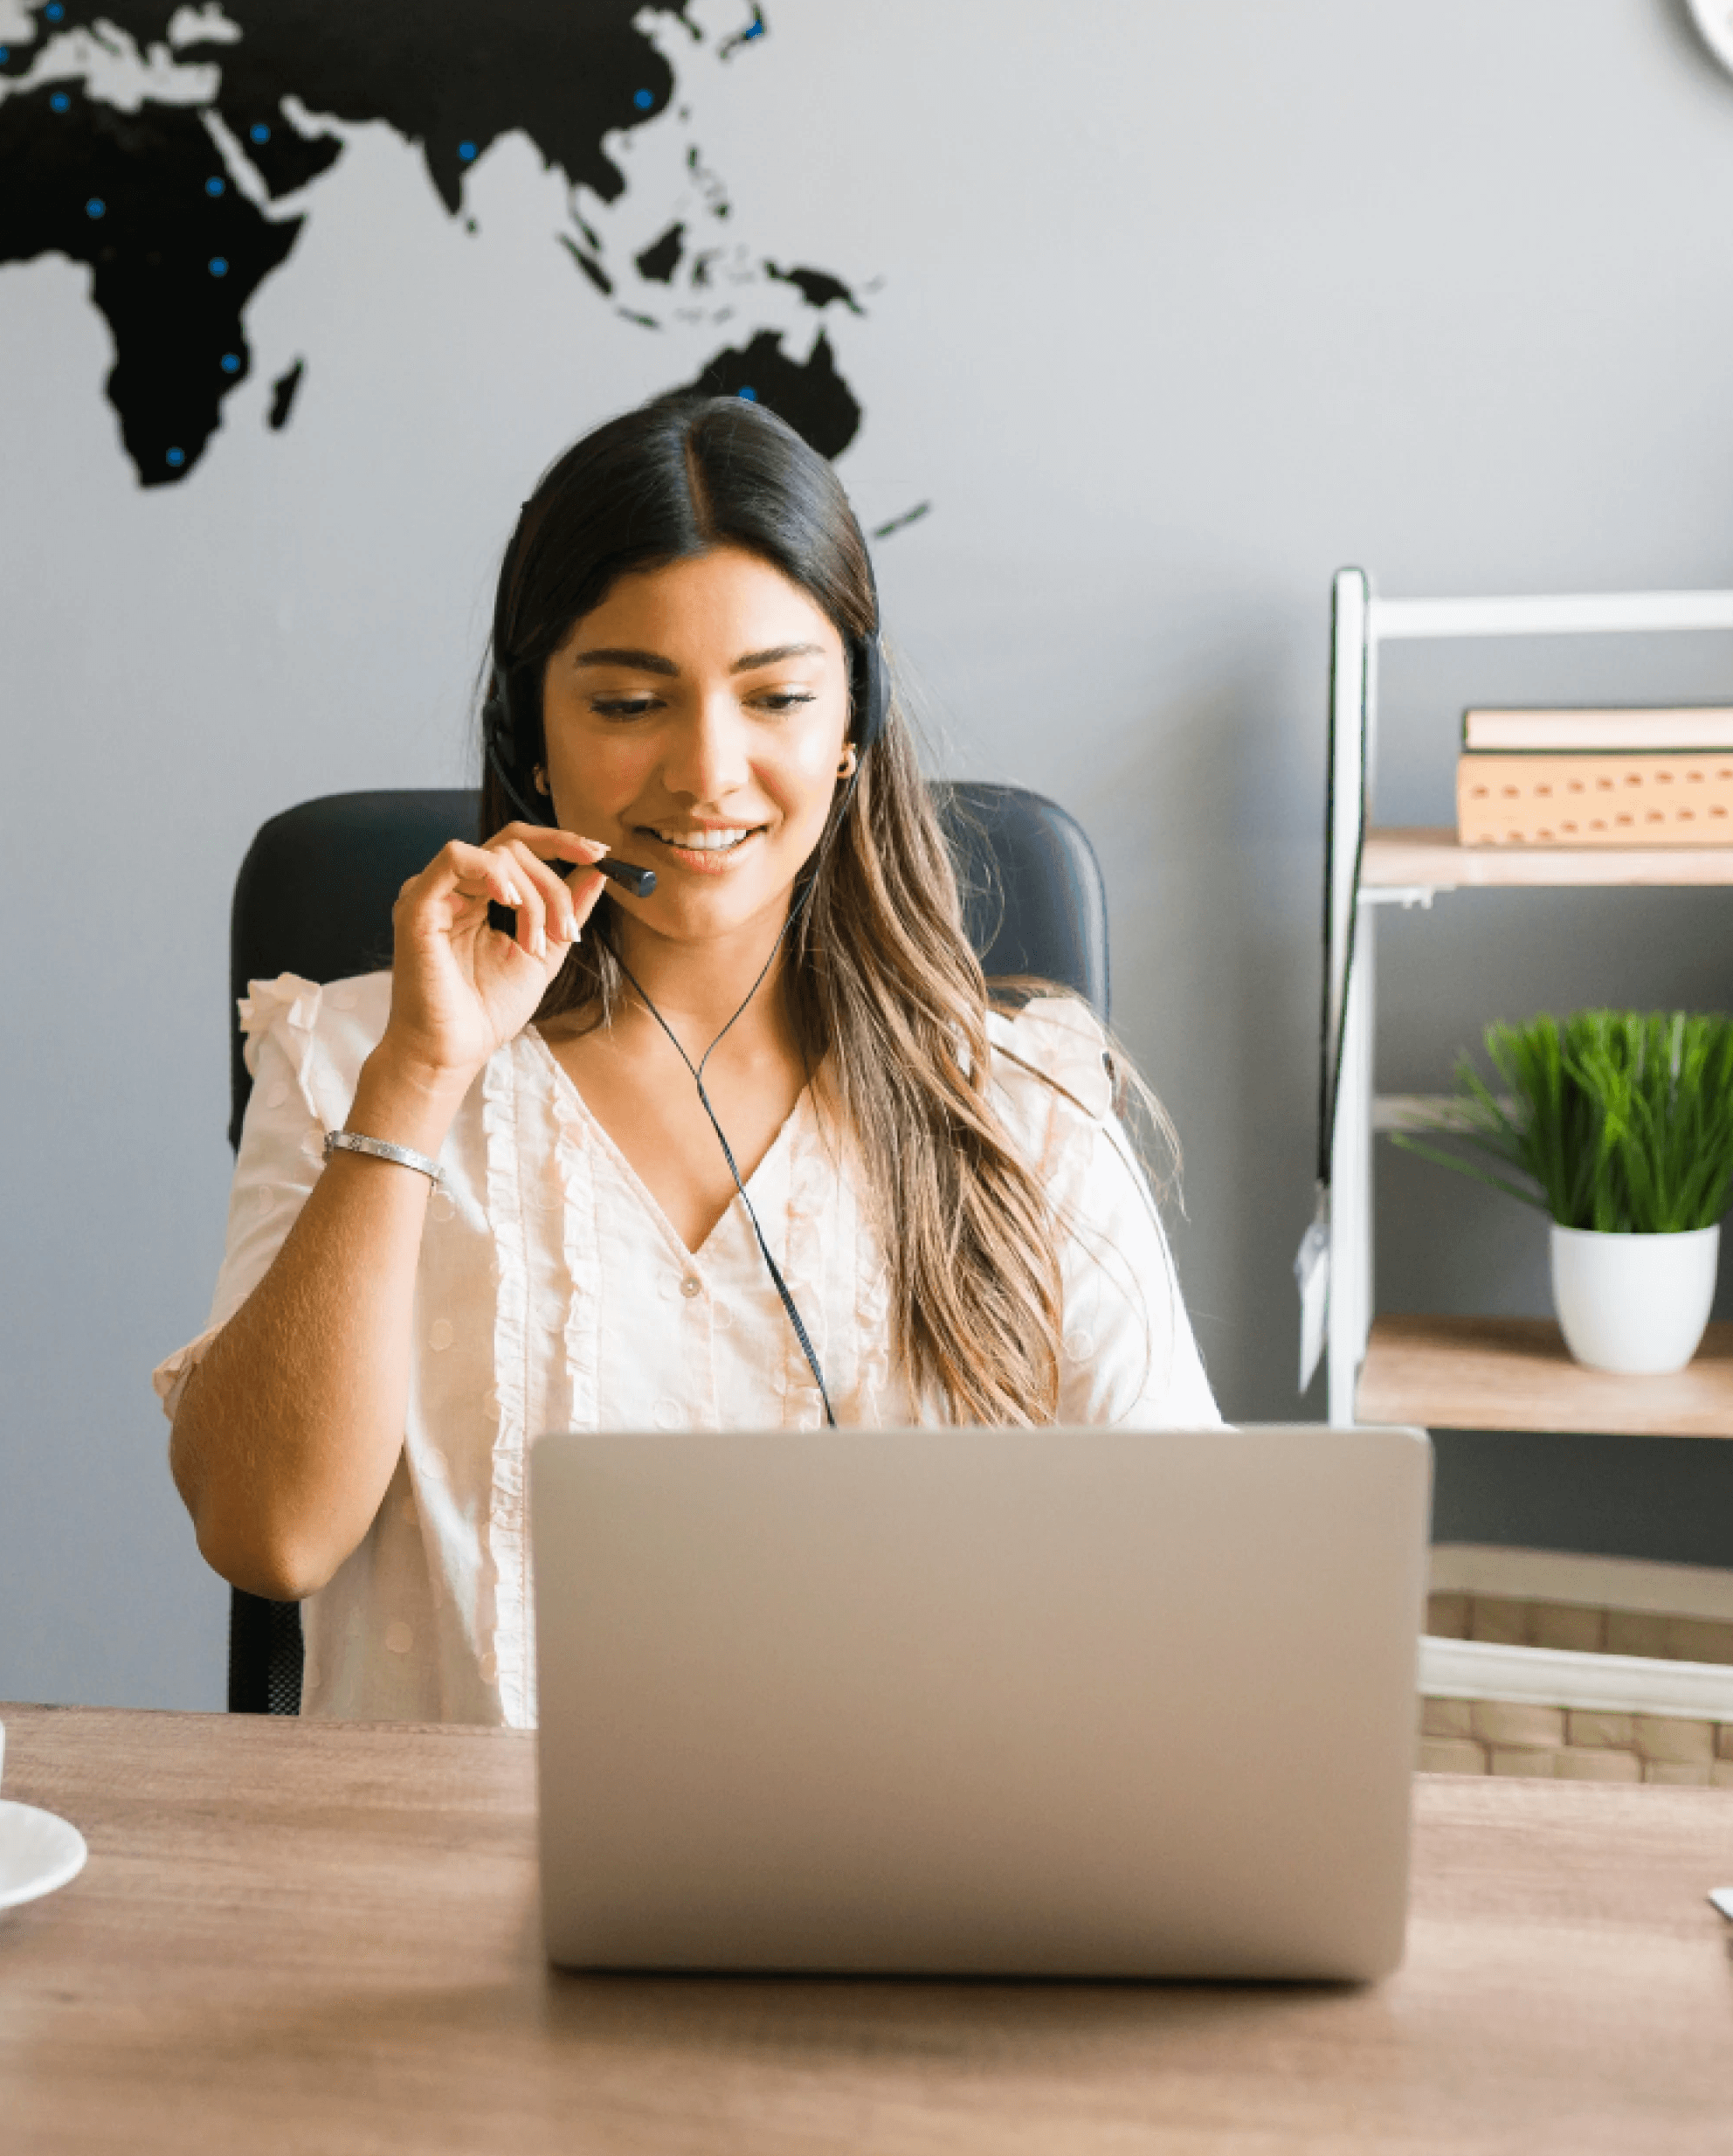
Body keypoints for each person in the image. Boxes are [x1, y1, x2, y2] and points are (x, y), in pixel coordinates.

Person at [155, 395, 1221, 1725]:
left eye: (776, 697)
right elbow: (266, 1538)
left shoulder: (1020, 1105)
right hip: (443, 1855)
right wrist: (420, 1079)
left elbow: (1189, 1589)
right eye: (629, 702)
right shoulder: (356, 1055)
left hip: (908, 1845)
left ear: (854, 724)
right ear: (529, 734)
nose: (708, 772)